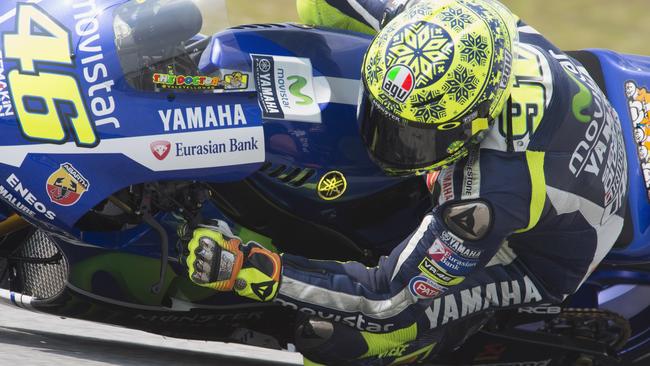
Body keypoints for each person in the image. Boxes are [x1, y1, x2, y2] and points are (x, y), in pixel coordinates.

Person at [186, 0, 629, 364]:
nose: (389, 143)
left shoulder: (488, 198)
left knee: (359, 342)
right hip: (564, 111)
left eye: (413, 138)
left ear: (473, 125)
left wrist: (257, 270)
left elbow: (386, 297)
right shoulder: (444, 19)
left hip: (538, 254)